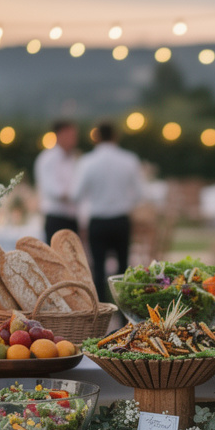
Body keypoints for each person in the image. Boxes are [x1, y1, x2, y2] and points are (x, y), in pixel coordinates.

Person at [72, 121, 144, 302]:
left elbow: (76, 194)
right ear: (115, 136)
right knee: (123, 269)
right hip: (121, 220)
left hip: (97, 221)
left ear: (96, 138)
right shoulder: (129, 159)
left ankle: (101, 312)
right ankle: (124, 315)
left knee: (98, 269)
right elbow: (141, 193)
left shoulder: (87, 162)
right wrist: (125, 201)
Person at [34, 120, 80, 239]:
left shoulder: (74, 158)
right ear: (59, 135)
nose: (74, 139)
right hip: (56, 218)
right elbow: (54, 191)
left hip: (73, 218)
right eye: (70, 135)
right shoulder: (48, 159)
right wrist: (78, 193)